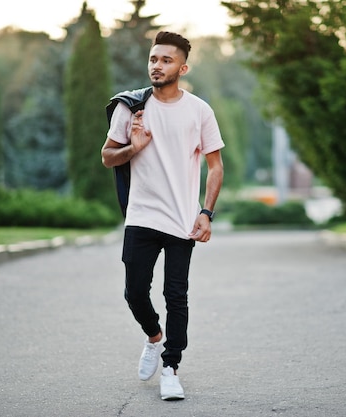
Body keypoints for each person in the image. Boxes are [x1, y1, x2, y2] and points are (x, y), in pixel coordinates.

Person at [100, 31, 225, 401]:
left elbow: (215, 167)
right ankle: (154, 337)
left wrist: (206, 213)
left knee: (176, 296)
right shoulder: (131, 107)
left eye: (166, 60)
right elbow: (108, 156)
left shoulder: (200, 110)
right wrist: (131, 148)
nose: (157, 66)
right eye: (153, 59)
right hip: (141, 214)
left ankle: (171, 367)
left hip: (183, 219)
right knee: (134, 291)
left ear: (182, 67)